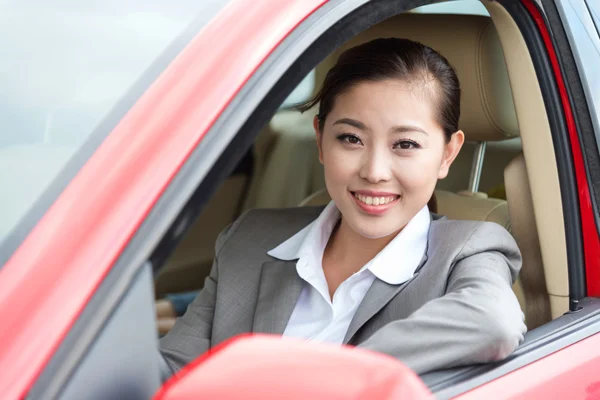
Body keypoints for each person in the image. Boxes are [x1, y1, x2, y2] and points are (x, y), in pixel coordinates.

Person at [159, 37, 526, 376]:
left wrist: (317, 379)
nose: (375, 172)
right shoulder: (248, 238)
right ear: (320, 141)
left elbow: (494, 322)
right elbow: (171, 371)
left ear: (447, 154)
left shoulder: (467, 250)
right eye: (351, 139)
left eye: (406, 145)